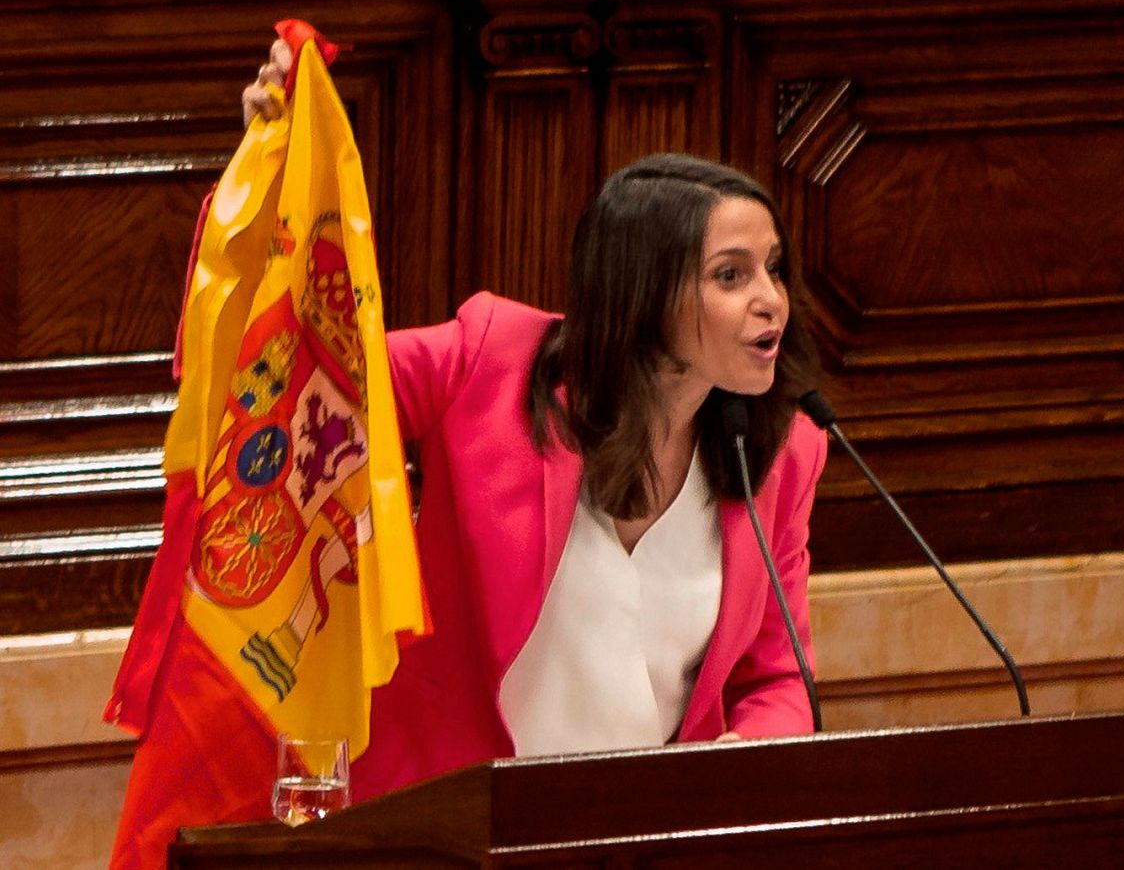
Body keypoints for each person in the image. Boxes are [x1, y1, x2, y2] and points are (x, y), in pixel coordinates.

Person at [244, 42, 827, 800]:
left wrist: (724, 771)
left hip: (637, 838)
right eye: (731, 274)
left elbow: (777, 681)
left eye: (773, 268)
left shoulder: (782, 451)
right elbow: (306, 375)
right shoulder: (489, 362)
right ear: (641, 289)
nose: (771, 300)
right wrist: (270, 195)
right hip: (447, 827)